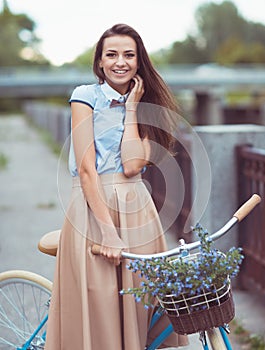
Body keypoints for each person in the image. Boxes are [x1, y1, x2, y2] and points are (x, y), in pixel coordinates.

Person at [45, 23, 188, 350]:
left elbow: (132, 165)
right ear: (99, 62)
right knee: (102, 309)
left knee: (142, 303)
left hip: (137, 207)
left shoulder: (149, 105)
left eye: (128, 54)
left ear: (139, 62)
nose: (119, 62)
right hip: (95, 209)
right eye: (111, 54)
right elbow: (85, 170)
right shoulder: (85, 97)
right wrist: (108, 231)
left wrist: (133, 109)